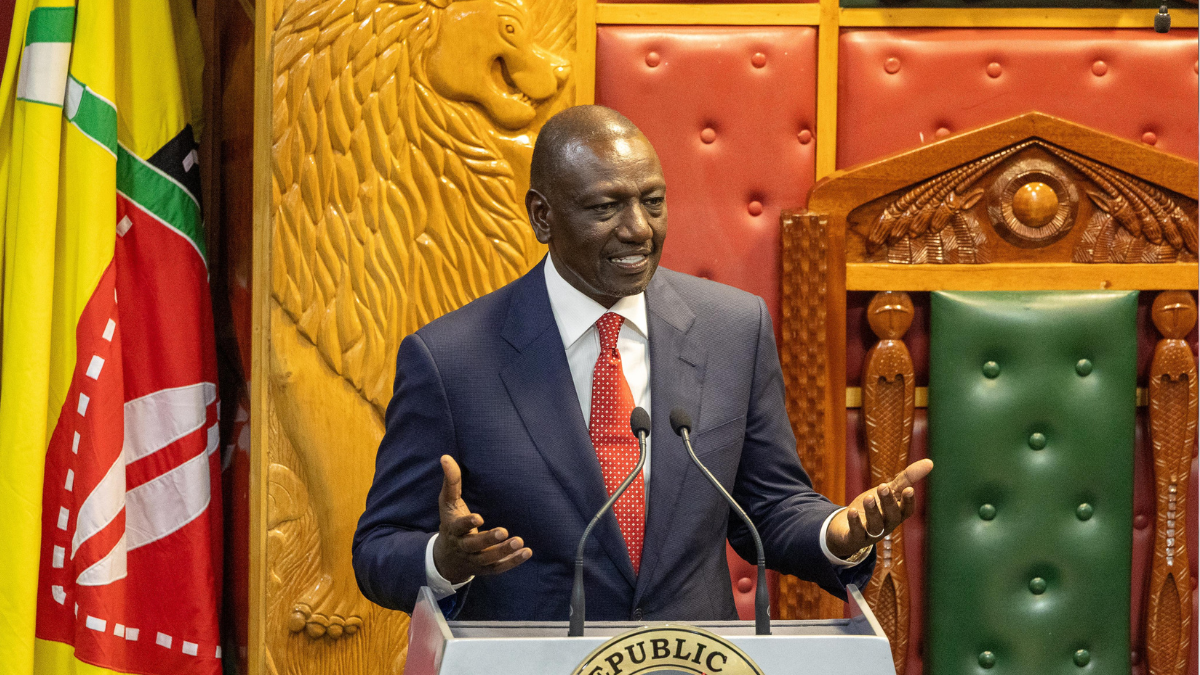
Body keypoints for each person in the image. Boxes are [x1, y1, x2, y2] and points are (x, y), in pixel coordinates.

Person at [351, 105, 933, 621]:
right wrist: (444, 560)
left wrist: (838, 531)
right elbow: (379, 547)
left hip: (695, 660)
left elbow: (771, 504)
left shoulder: (733, 329)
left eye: (652, 202)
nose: (638, 230)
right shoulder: (450, 359)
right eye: (605, 207)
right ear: (542, 217)